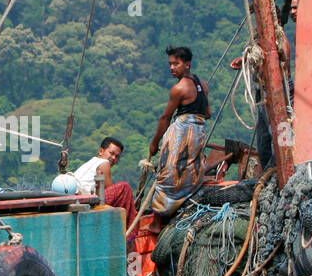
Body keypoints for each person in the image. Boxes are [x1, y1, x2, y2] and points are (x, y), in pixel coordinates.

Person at [148, 47, 211, 217]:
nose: (172, 68)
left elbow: (165, 118)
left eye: (176, 64)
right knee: (190, 171)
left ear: (187, 64)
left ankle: (158, 219)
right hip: (198, 133)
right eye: (170, 64)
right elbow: (208, 113)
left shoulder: (179, 88)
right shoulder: (202, 84)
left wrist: (154, 143)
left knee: (169, 173)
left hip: (182, 132)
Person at [73, 137, 136, 217]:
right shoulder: (104, 163)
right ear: (101, 151)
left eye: (117, 156)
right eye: (111, 153)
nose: (113, 158)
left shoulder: (91, 162)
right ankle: (129, 225)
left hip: (78, 197)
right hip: (86, 199)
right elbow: (110, 191)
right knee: (124, 188)